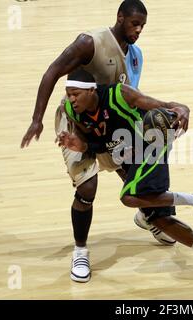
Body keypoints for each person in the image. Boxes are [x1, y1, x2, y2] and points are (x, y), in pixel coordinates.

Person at [20, 0, 175, 282]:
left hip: (109, 125)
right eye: (134, 24)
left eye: (142, 25)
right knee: (87, 187)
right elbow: (52, 71)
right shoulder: (90, 42)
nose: (139, 30)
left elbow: (131, 98)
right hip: (77, 124)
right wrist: (37, 118)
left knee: (138, 178)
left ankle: (149, 217)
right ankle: (80, 251)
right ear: (120, 18)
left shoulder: (136, 54)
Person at [57, 68, 193, 286]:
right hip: (130, 155)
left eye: (75, 94)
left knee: (128, 197)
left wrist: (183, 108)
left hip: (152, 142)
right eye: (68, 94)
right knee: (158, 218)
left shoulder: (120, 94)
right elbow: (104, 143)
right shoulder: (74, 111)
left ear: (91, 91)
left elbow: (163, 106)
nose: (71, 99)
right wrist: (84, 145)